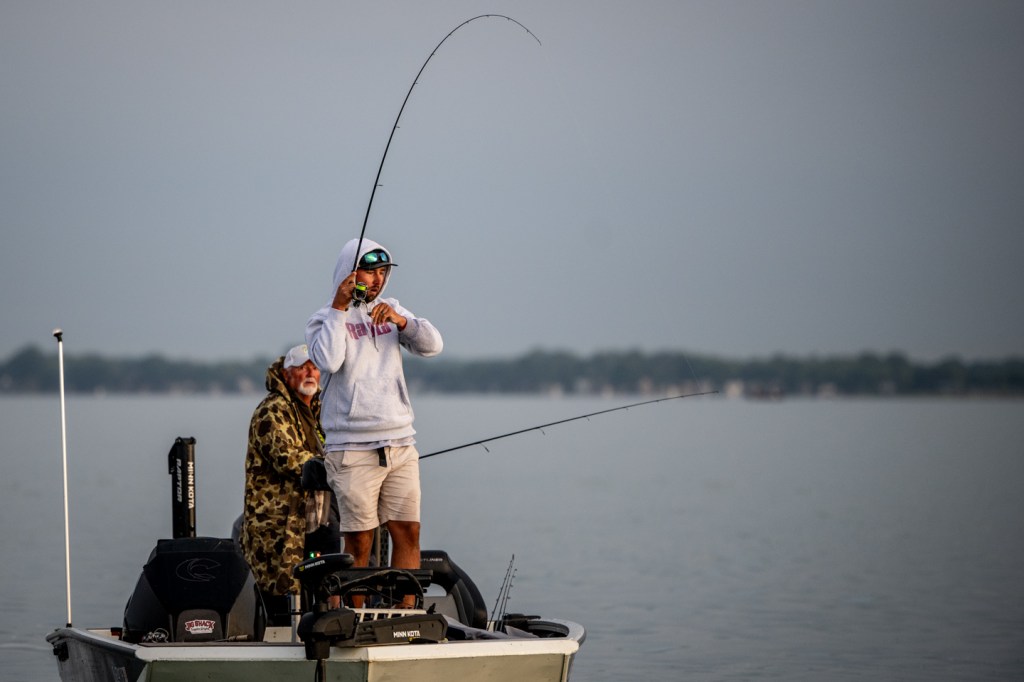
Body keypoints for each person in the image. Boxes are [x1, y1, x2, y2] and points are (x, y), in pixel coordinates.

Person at [305, 237, 442, 572]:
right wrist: (339, 308)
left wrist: (402, 322)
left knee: (408, 533)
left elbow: (433, 345)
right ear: (349, 274)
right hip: (350, 448)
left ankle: (405, 604)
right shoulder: (323, 318)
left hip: (400, 443)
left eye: (383, 272)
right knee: (359, 542)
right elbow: (328, 360)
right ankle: (351, 605)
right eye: (370, 272)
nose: (378, 279)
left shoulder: (393, 308)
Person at [239, 344, 338, 624]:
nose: (310, 373)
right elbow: (291, 460)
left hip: (317, 515)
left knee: (330, 566)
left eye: (314, 367)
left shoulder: (322, 409)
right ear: (286, 374)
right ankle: (283, 631)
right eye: (302, 367)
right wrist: (342, 467)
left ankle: (332, 618)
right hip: (279, 522)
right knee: (282, 595)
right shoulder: (271, 411)